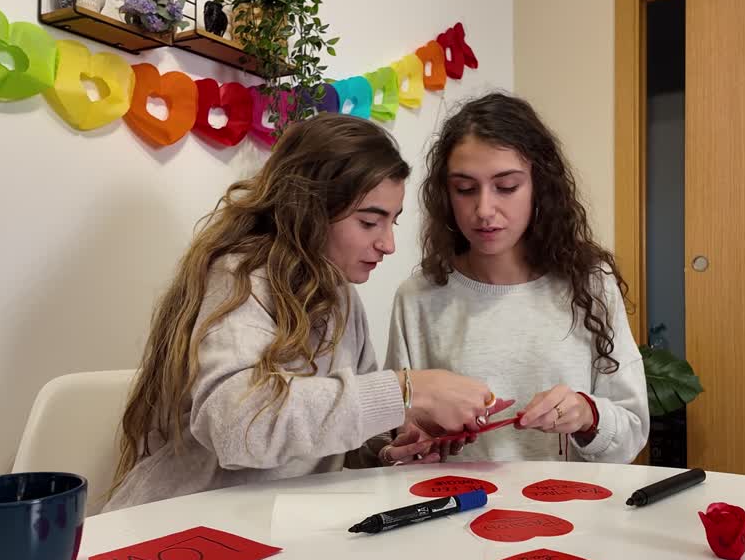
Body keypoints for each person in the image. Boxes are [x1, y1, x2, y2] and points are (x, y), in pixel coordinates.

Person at [106, 114, 492, 511]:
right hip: (181, 527)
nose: (388, 244)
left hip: (273, 525)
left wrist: (388, 449)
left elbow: (328, 441)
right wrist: (405, 389)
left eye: (392, 222)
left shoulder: (343, 298)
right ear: (309, 210)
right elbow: (236, 427)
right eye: (369, 221)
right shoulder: (238, 279)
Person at [386, 93, 648, 463]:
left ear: (540, 186)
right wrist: (410, 445)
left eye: (506, 187)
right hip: (458, 513)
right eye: (464, 189)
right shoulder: (418, 298)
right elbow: (398, 434)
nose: (484, 210)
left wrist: (587, 416)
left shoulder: (590, 284)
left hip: (571, 513)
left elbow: (632, 432)